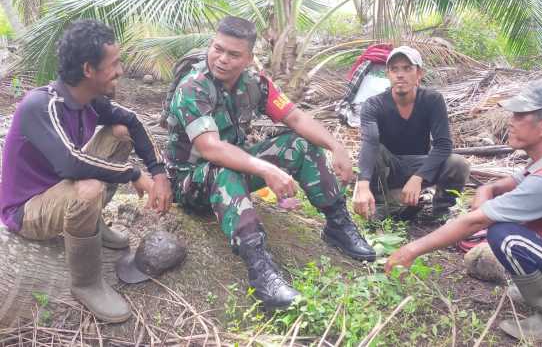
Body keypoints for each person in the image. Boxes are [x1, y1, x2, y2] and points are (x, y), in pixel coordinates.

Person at [384, 79, 542, 342]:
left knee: (504, 235)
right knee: (504, 226)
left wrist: (411, 249)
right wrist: (484, 193)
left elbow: (476, 222)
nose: (511, 120)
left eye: (520, 115)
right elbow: (498, 186)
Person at [165, 16, 375, 309]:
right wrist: (265, 167)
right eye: (217, 49)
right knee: (224, 168)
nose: (222, 59)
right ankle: (260, 269)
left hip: (234, 169)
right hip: (190, 182)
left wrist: (336, 146)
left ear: (249, 58)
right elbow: (210, 148)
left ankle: (337, 223)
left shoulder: (255, 84)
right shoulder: (193, 88)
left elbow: (296, 117)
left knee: (299, 144)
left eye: (233, 54)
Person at [0, 20, 173, 323]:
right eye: (114, 64)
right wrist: (133, 173)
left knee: (119, 131)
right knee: (89, 189)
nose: (120, 70)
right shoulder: (41, 105)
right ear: (88, 70)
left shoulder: (91, 101)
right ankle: (87, 283)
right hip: (26, 209)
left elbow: (132, 122)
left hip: (60, 188)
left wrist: (158, 173)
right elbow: (70, 163)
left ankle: (92, 223)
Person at [352, 46, 470, 221]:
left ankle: (441, 212)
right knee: (375, 148)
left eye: (407, 68)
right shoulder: (373, 104)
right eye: (394, 69)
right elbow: (369, 143)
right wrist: (362, 185)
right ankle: (381, 207)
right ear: (388, 74)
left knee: (458, 164)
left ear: (419, 73)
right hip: (387, 170)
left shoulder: (432, 100)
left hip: (419, 165)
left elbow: (443, 145)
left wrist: (418, 178)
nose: (400, 75)